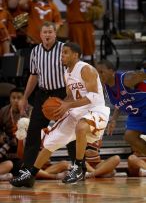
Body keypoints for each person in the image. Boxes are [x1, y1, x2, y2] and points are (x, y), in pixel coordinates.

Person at [10, 41, 110, 187]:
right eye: (61, 52)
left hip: (96, 110)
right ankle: (30, 174)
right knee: (51, 141)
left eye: (65, 52)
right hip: (77, 110)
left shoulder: (86, 69)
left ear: (75, 55)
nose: (61, 55)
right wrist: (61, 106)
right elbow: (70, 96)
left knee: (81, 128)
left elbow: (94, 96)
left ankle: (78, 167)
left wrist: (69, 105)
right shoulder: (67, 73)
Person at [12, 22, 77, 173]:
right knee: (34, 132)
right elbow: (34, 76)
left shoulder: (64, 49)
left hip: (63, 94)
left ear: (55, 34)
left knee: (69, 131)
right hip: (43, 95)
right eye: (44, 32)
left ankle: (77, 166)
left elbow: (74, 72)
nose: (47, 35)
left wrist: (70, 97)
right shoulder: (35, 51)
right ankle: (27, 170)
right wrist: (25, 97)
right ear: (40, 35)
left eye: (50, 32)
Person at [96, 59, 146, 156]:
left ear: (112, 71)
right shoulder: (106, 87)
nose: (99, 75)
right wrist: (113, 120)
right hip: (136, 114)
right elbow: (119, 103)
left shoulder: (126, 79)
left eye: (101, 72)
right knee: (130, 136)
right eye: (97, 72)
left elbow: (142, 75)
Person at [57, 0, 104, 64]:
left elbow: (100, 7)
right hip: (75, 25)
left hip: (88, 25)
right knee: (75, 51)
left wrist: (94, 11)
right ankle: (75, 71)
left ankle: (89, 69)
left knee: (89, 52)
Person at [0, 87, 32, 178]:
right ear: (10, 99)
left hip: (25, 146)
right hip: (8, 145)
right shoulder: (3, 111)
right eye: (13, 98)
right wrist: (2, 136)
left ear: (25, 99)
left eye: (19, 98)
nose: (16, 100)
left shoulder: (31, 110)